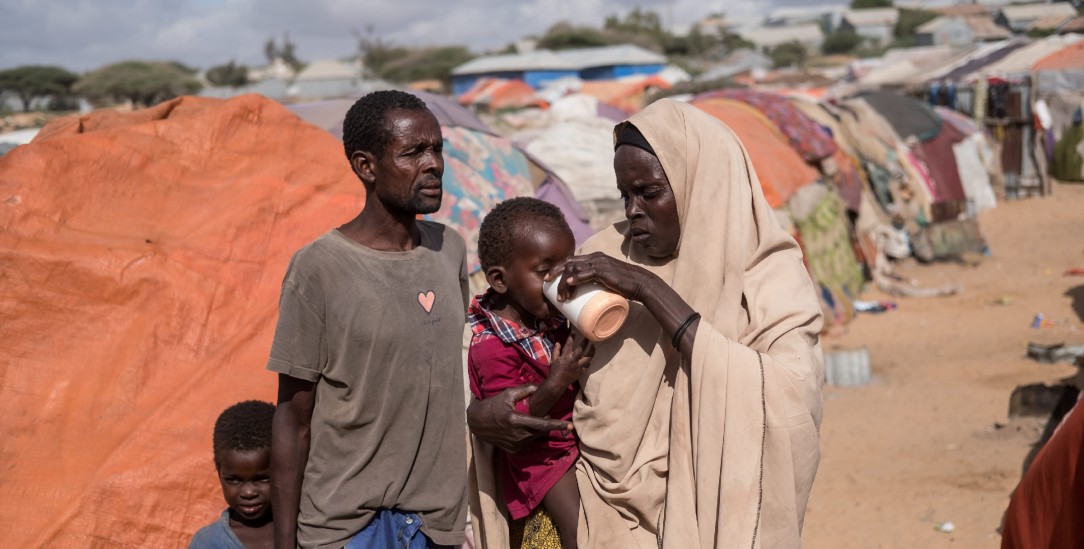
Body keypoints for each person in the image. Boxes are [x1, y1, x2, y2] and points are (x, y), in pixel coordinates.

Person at [467, 99, 825, 548]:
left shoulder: (768, 278)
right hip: (590, 513)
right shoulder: (605, 254)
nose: (632, 209)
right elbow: (504, 340)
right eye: (624, 195)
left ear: (701, 184)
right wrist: (481, 413)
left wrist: (649, 289)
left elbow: (788, 401)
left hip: (707, 516)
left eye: (649, 192)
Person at [268, 90, 470, 549]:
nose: (433, 163)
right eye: (413, 152)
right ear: (366, 166)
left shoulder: (449, 251)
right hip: (347, 529)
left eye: (437, 148)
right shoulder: (319, 268)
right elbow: (293, 417)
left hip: (434, 525)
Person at [468, 197, 595, 548]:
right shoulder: (491, 347)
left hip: (573, 440)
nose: (560, 281)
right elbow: (515, 422)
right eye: (545, 272)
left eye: (566, 268)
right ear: (499, 279)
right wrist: (558, 379)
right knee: (580, 534)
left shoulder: (543, 316)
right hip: (540, 460)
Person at [189, 400, 276, 549]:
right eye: (234, 480)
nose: (249, 493)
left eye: (262, 479)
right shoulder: (208, 542)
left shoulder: (308, 529)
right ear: (219, 471)